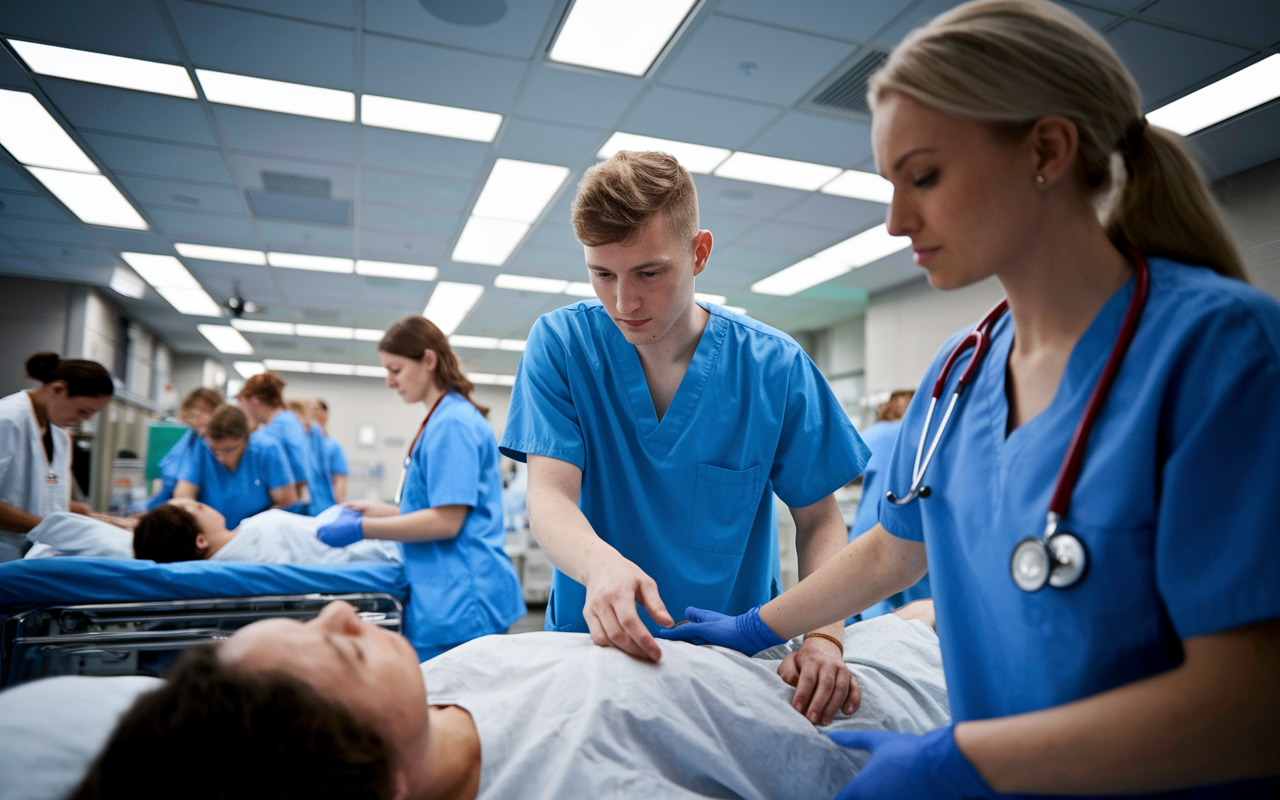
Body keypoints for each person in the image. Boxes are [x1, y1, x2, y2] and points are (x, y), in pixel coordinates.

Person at [660, 1, 1280, 797]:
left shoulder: (1219, 354)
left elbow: (1254, 704)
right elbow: (898, 546)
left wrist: (965, 763)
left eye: (922, 176)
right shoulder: (962, 374)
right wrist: (757, 627)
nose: (894, 221)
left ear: (1046, 151)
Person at [498, 149, 870, 724]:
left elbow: (820, 519)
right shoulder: (562, 346)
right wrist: (600, 565)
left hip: (733, 663)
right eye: (602, 274)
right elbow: (549, 496)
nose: (624, 302)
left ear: (699, 253)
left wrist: (823, 637)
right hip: (591, 650)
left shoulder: (773, 367)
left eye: (649, 272)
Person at [68, 599, 950, 800]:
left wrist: (798, 628)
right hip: (886, 720)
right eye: (332, 648)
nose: (341, 610)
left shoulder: (440, 682)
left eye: (306, 618)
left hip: (808, 660)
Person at [316, 316, 525, 660]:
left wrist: (363, 529)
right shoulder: (442, 419)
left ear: (428, 361)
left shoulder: (452, 424)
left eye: (395, 369)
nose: (389, 381)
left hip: (461, 599)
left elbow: (446, 521)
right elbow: (434, 506)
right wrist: (376, 511)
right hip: (447, 593)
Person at [0, 352, 113, 561]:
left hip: (28, 552)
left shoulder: (58, 433)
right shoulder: (6, 420)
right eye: (82, 411)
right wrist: (56, 528)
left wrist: (73, 510)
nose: (84, 419)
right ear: (58, 389)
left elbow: (36, 492)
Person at [849, 389, 928, 620]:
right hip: (915, 533)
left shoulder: (874, 435)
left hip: (870, 530)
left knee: (862, 604)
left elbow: (840, 470)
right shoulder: (930, 433)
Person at [133, 498, 399, 564]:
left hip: (348, 529)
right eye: (198, 507)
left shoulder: (241, 540)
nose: (205, 503)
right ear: (201, 541)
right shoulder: (259, 537)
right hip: (376, 544)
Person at [174, 405, 297, 529]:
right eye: (215, 450)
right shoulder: (201, 448)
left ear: (246, 440)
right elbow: (183, 497)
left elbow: (286, 501)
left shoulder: (267, 450)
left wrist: (247, 531)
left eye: (229, 450)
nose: (221, 457)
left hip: (255, 533)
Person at [237, 372, 310, 512]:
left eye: (243, 404)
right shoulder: (281, 423)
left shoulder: (281, 427)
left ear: (254, 400)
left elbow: (300, 475)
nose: (243, 411)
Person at [146, 388, 222, 510]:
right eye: (193, 415)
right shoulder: (193, 439)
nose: (198, 419)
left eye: (203, 413)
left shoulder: (211, 444)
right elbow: (171, 480)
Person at [311, 399, 348, 504]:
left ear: (325, 414)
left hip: (325, 504)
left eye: (317, 409)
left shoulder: (333, 446)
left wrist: (338, 507)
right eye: (311, 410)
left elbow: (339, 479)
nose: (313, 413)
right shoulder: (303, 445)